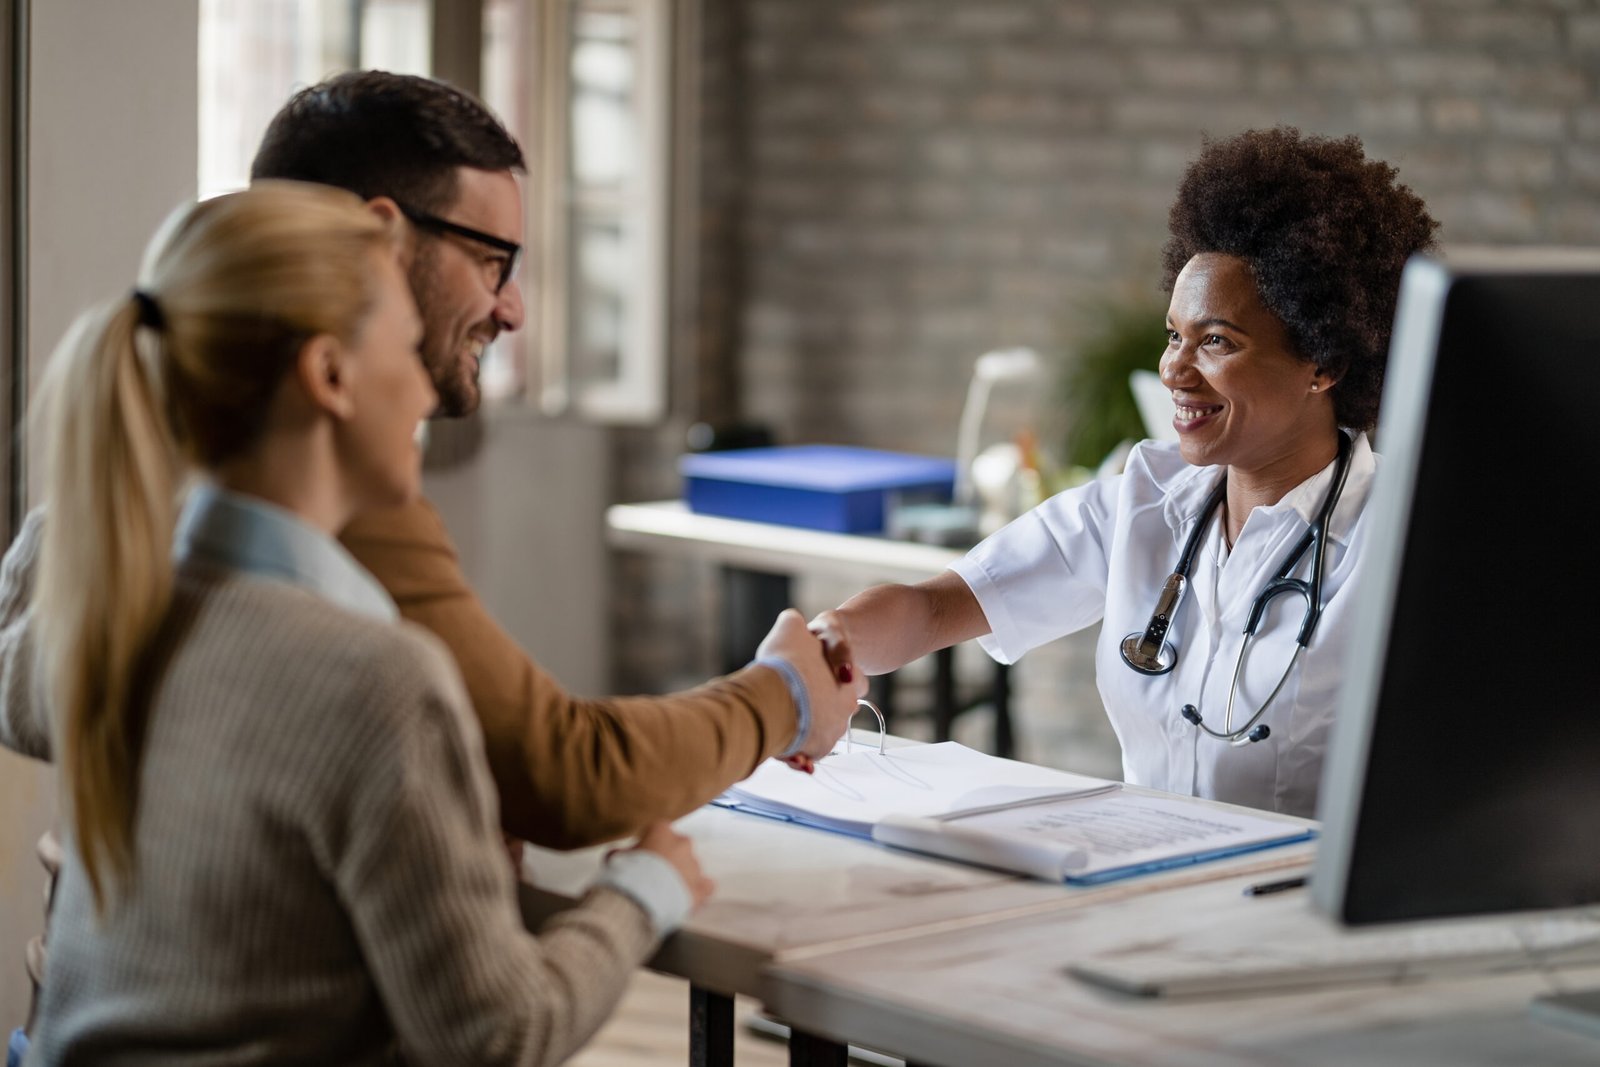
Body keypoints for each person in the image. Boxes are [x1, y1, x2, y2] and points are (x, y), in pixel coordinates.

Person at [0, 181, 714, 1064]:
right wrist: (644, 887)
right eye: (408, 349)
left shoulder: (107, 613)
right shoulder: (373, 679)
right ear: (330, 375)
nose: (424, 390)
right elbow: (500, 1035)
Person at [249, 71, 863, 846]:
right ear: (387, 241)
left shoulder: (161, 443)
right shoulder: (322, 480)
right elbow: (565, 776)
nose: (513, 309)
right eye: (490, 261)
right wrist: (784, 695)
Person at [810, 127, 1440, 818]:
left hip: (1291, 908)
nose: (1174, 368)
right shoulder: (1144, 501)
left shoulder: (1398, 542)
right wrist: (823, 647)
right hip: (1141, 881)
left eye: (1217, 341)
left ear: (1325, 363)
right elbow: (934, 607)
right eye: (1175, 334)